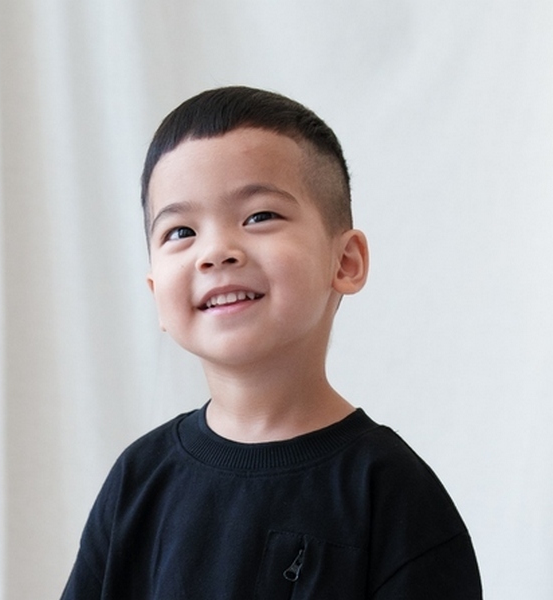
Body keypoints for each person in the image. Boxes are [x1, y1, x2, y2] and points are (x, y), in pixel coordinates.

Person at [61, 86, 482, 599]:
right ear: (156, 293)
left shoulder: (392, 493)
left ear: (345, 262)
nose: (216, 251)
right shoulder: (137, 480)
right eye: (181, 231)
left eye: (259, 216)